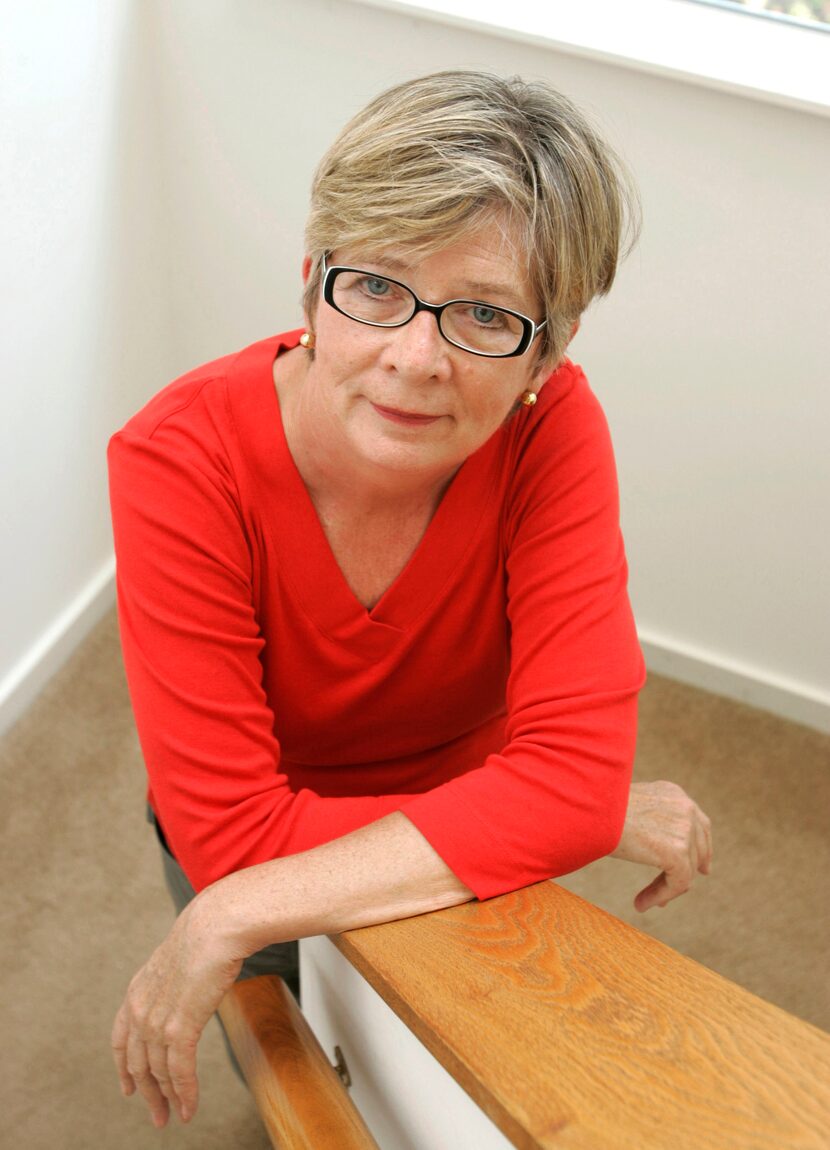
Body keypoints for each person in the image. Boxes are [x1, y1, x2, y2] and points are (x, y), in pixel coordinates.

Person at [108, 71, 712, 1129]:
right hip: (456, 828)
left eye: (483, 313)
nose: (414, 357)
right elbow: (230, 843)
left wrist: (234, 909)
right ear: (311, 281)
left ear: (549, 348)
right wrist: (561, 813)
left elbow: (245, 882)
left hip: (455, 840)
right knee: (293, 1078)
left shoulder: (552, 426)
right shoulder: (176, 459)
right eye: (376, 286)